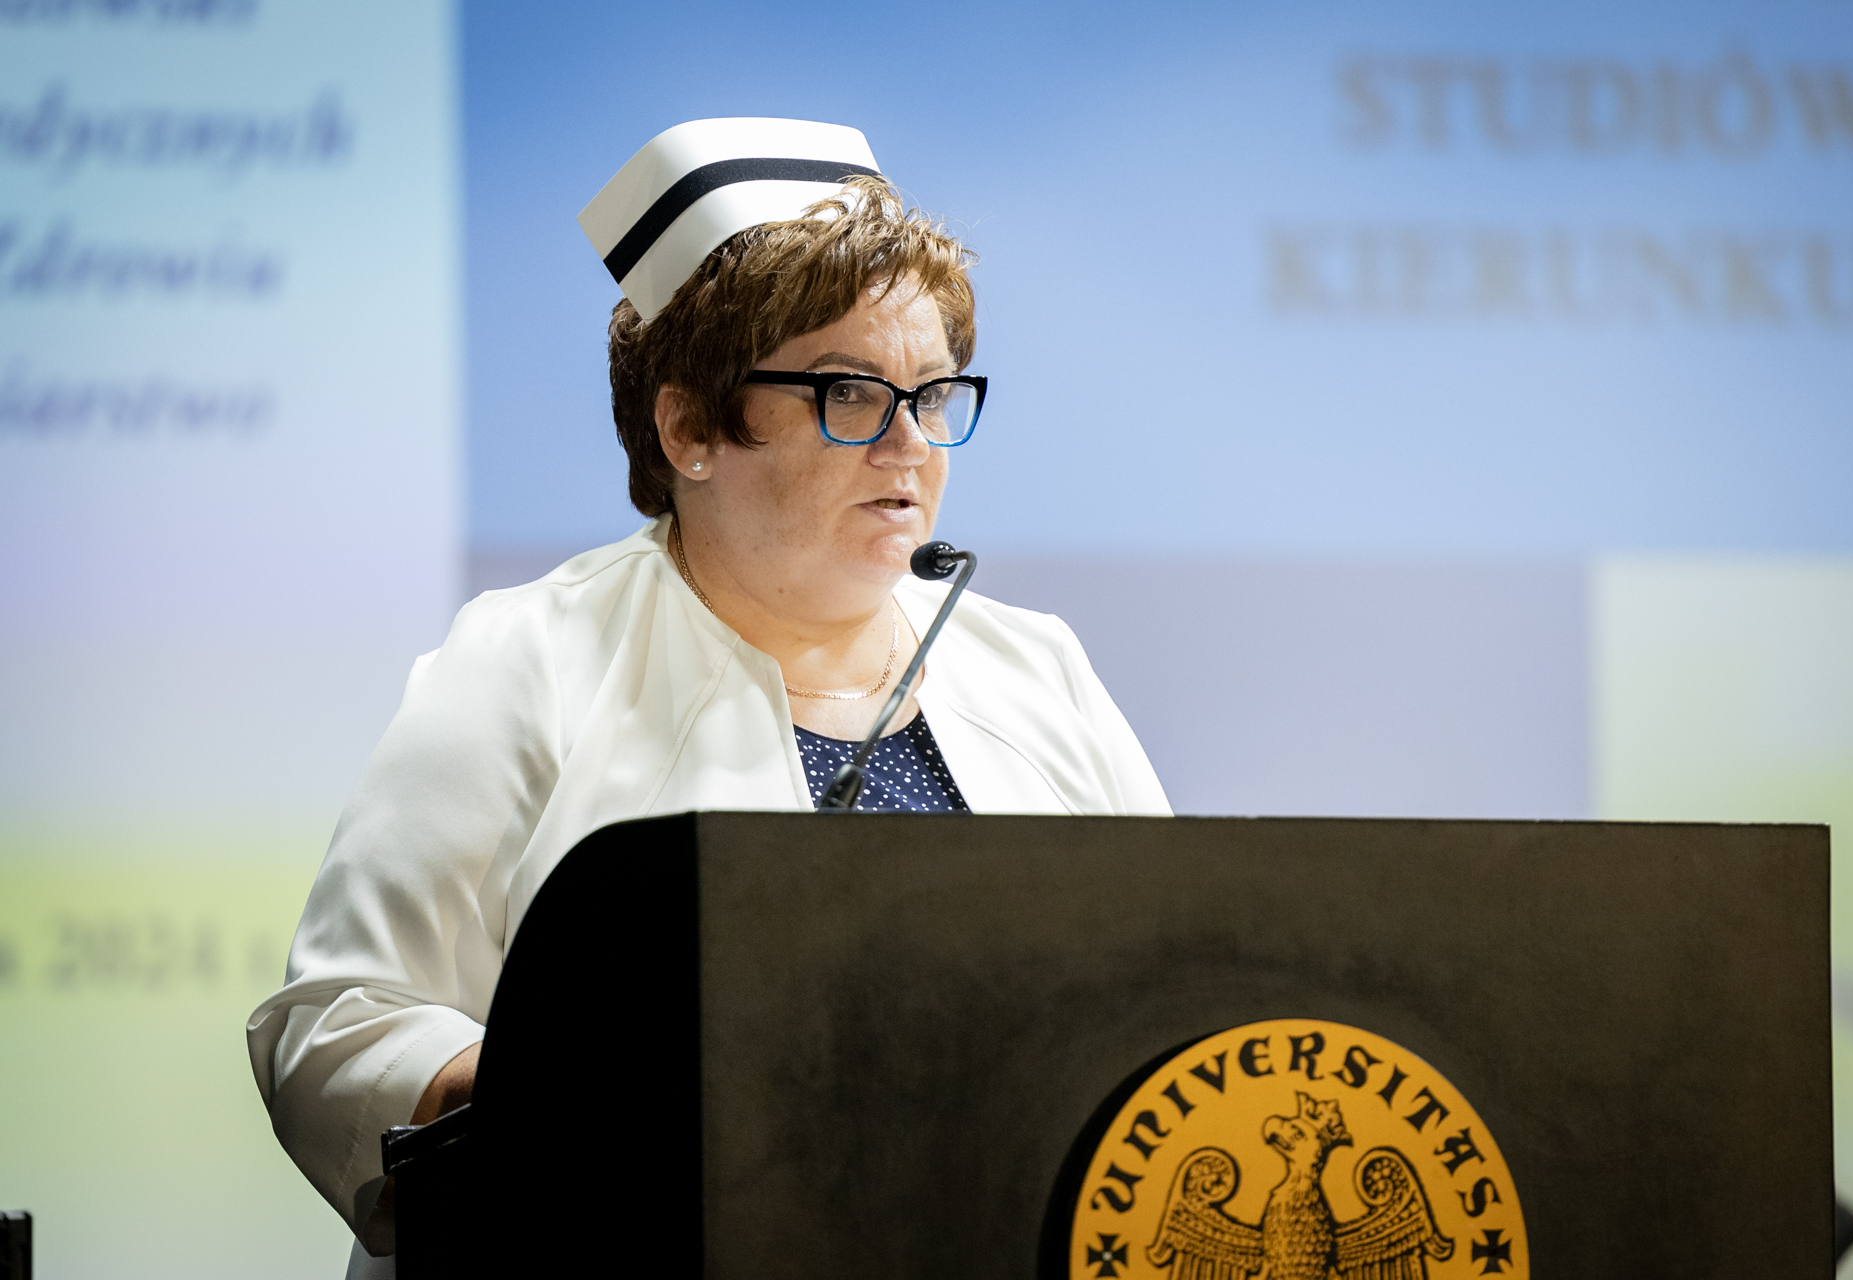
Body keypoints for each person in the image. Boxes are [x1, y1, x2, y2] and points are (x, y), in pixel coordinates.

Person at [246, 117, 1169, 1273]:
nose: (910, 446)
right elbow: (337, 1026)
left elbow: (1169, 997)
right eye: (849, 392)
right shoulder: (529, 656)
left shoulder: (1038, 667)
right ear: (688, 425)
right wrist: (597, 1103)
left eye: (933, 394)